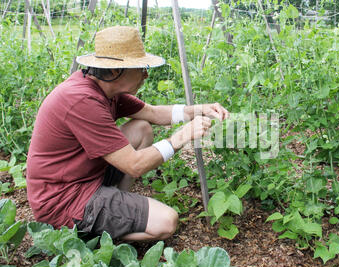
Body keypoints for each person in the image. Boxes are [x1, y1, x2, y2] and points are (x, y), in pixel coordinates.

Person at [26, 26, 229, 242]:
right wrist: (181, 137)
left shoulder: (105, 88)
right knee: (166, 221)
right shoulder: (81, 101)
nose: (146, 74)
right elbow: (135, 165)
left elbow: (152, 113)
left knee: (141, 128)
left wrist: (199, 109)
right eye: (140, 68)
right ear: (114, 71)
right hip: (63, 200)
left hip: (84, 176)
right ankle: (95, 239)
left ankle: (117, 205)